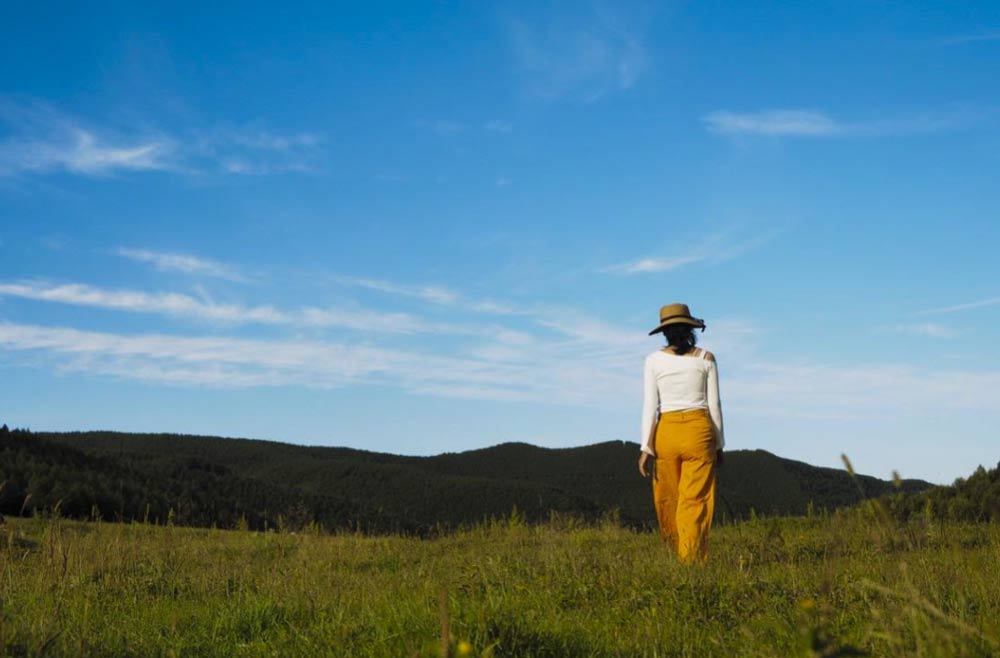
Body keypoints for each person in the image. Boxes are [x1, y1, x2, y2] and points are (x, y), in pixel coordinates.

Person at [637, 303, 725, 564]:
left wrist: (645, 447)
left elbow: (650, 406)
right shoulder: (706, 358)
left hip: (666, 432)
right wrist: (719, 444)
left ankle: (676, 556)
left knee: (668, 498)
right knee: (694, 501)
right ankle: (691, 560)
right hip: (699, 432)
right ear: (690, 329)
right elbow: (715, 406)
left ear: (665, 332)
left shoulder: (653, 361)